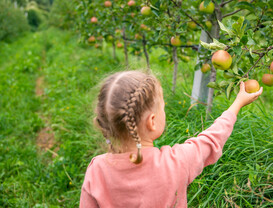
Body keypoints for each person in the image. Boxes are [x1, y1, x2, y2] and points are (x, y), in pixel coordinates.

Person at [80, 70, 263, 208]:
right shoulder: (176, 163)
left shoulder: (96, 170)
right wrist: (237, 104)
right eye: (162, 107)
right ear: (152, 121)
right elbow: (211, 139)